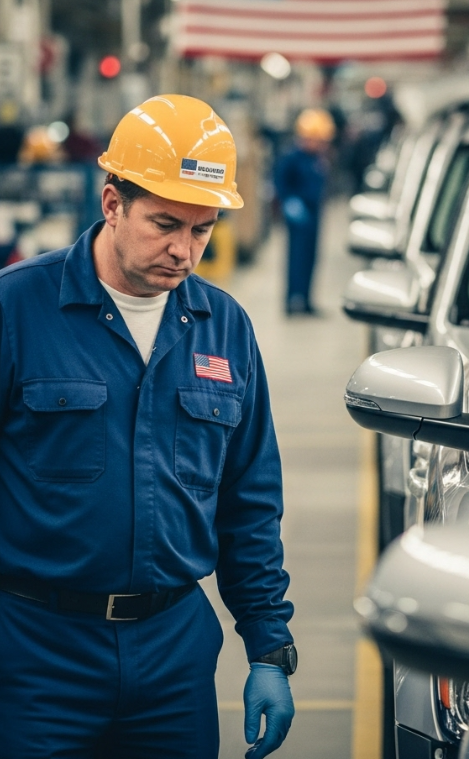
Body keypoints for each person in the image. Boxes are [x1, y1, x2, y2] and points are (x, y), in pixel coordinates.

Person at [0, 94, 295, 758]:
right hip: (36, 654)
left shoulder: (224, 328)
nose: (183, 250)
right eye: (165, 223)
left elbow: (248, 500)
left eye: (202, 229)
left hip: (173, 658)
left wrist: (268, 646)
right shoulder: (17, 310)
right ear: (111, 203)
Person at [274, 107, 335, 315]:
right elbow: (280, 183)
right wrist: (289, 202)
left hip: (314, 214)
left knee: (311, 258)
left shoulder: (319, 158)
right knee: (296, 259)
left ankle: (307, 301)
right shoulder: (292, 157)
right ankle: (292, 302)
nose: (318, 144)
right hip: (298, 216)